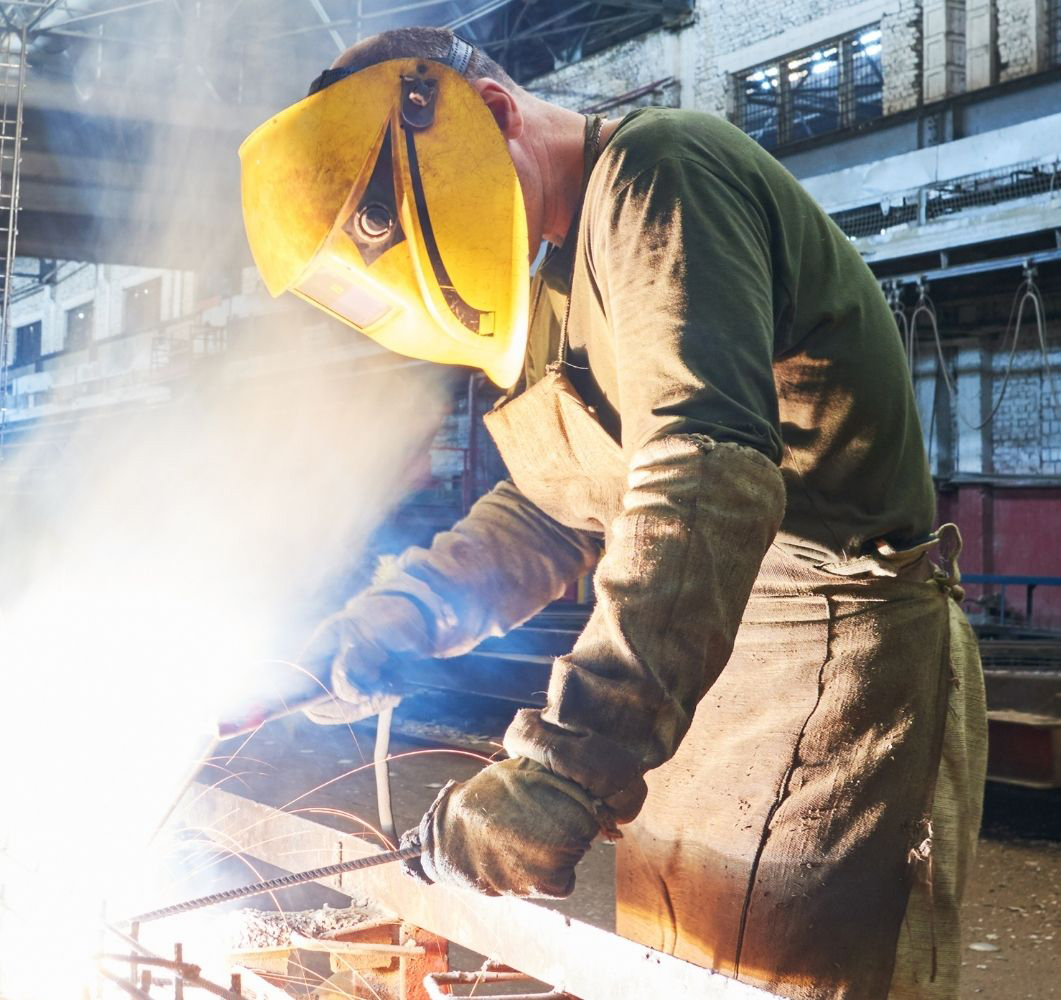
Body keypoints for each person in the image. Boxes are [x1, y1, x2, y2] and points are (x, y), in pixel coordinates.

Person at [236, 26, 988, 1000]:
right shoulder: (544, 283)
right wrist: (406, 609)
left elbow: (702, 480)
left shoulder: (660, 177)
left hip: (826, 678)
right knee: (677, 966)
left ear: (497, 113)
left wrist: (563, 768)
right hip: (697, 677)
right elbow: (560, 505)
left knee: (785, 977)